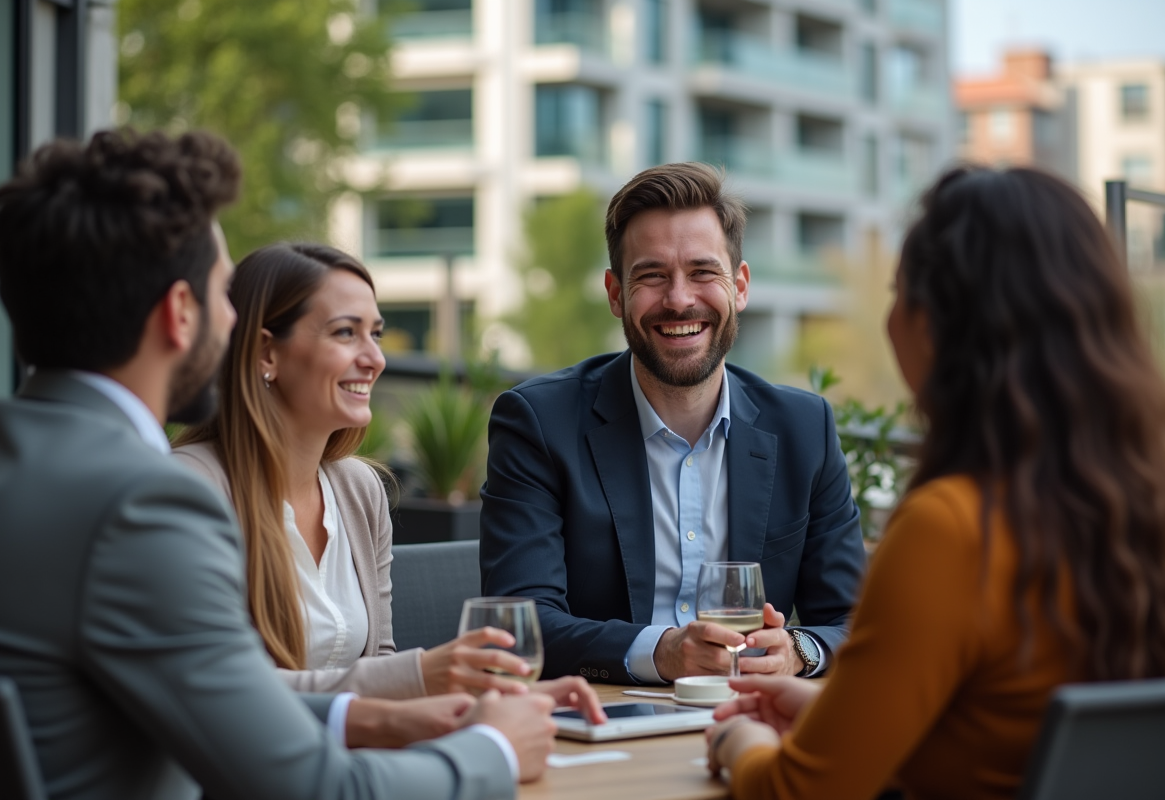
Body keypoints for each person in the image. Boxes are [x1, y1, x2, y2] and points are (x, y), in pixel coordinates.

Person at [0, 128, 555, 800]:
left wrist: (381, 716)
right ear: (179, 313)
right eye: (223, 295)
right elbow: (312, 787)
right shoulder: (142, 502)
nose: (233, 324)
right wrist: (493, 749)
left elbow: (206, 707)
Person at [706, 166, 1165, 800]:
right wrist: (838, 719)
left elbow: (797, 793)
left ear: (933, 324)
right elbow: (1011, 736)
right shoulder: (1133, 506)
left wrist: (739, 742)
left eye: (898, 292)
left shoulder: (952, 531)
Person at [173, 242, 603, 721]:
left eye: (375, 334)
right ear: (265, 352)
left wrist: (478, 705)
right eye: (345, 332)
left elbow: (380, 666)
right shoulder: (190, 490)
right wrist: (422, 675)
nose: (375, 358)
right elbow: (221, 690)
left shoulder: (359, 490)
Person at [481, 162, 866, 684]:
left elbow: (855, 622)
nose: (680, 299)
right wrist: (661, 652)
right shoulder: (538, 424)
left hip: (752, 712)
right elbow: (521, 624)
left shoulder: (805, 429)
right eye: (652, 276)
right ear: (616, 294)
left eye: (703, 272)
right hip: (603, 719)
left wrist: (798, 650)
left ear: (740, 286)